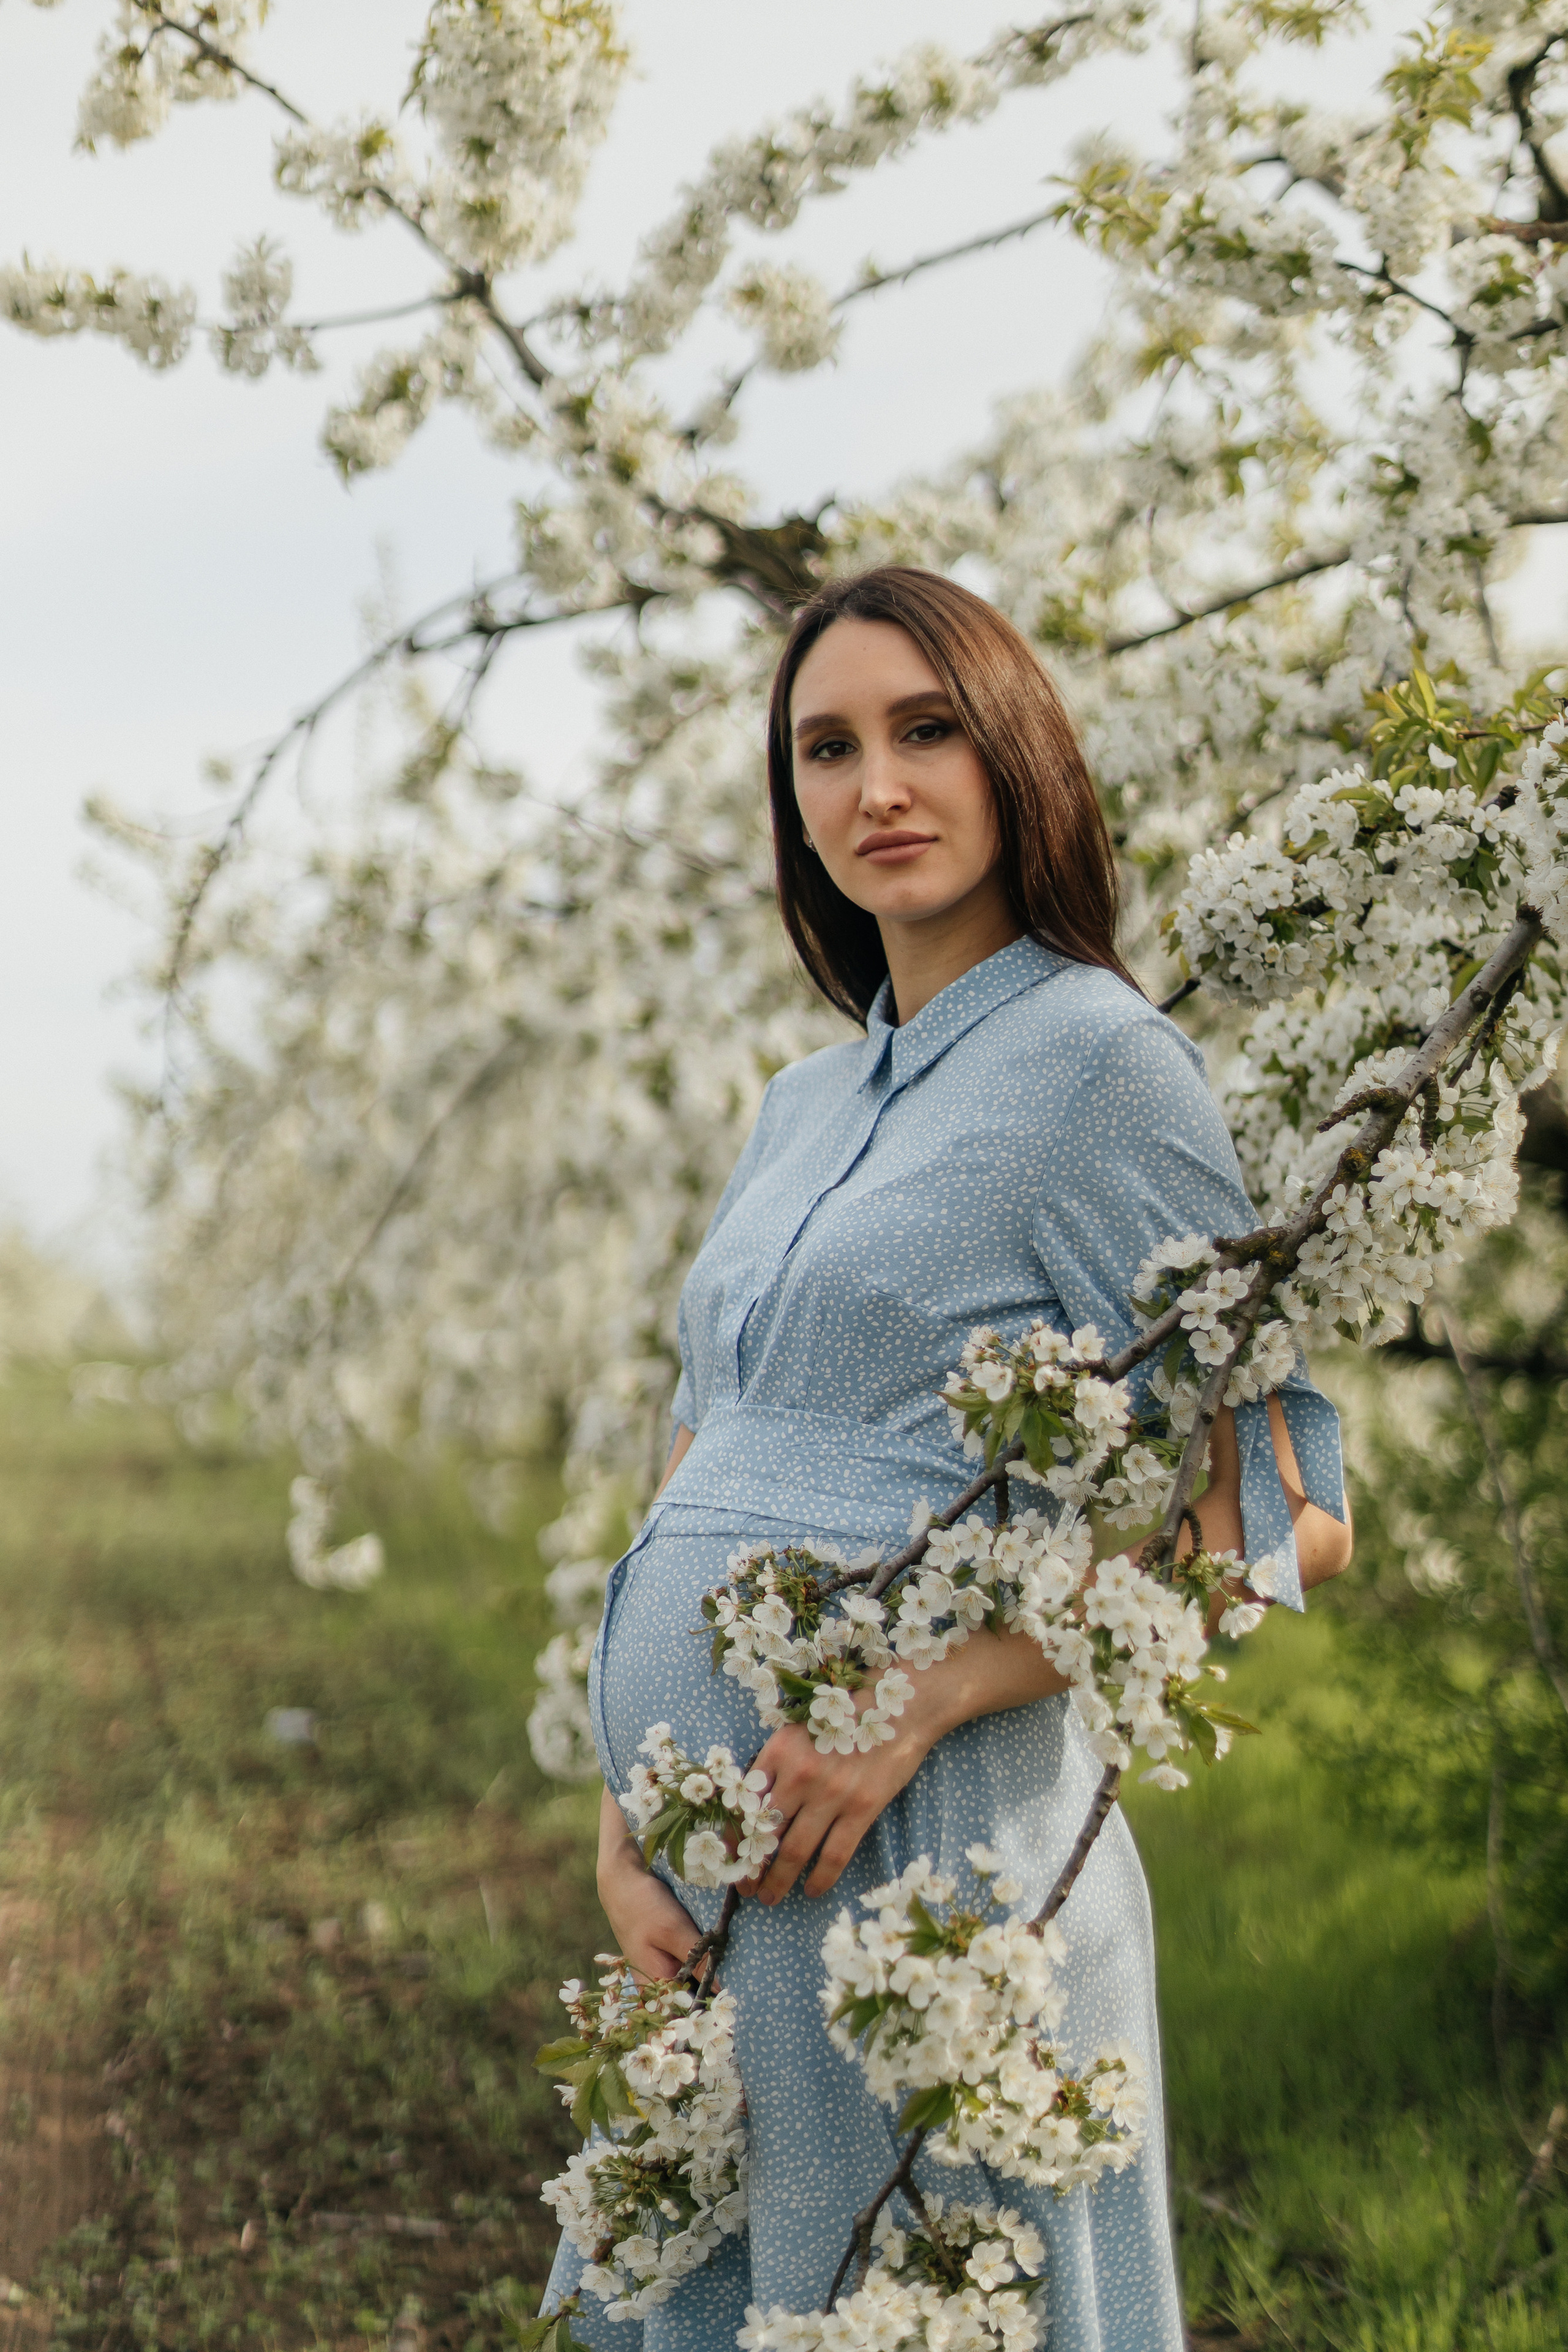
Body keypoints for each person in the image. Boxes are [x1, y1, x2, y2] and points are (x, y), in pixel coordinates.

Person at [544, 567, 1352, 2352]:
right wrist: (634, 1813)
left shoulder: (1103, 1069)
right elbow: (707, 1452)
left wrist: (920, 1696)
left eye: (926, 730)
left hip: (929, 1870)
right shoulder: (801, 1104)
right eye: (826, 748)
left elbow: (1285, 1512)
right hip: (720, 1864)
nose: (876, 787)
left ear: (1017, 758)